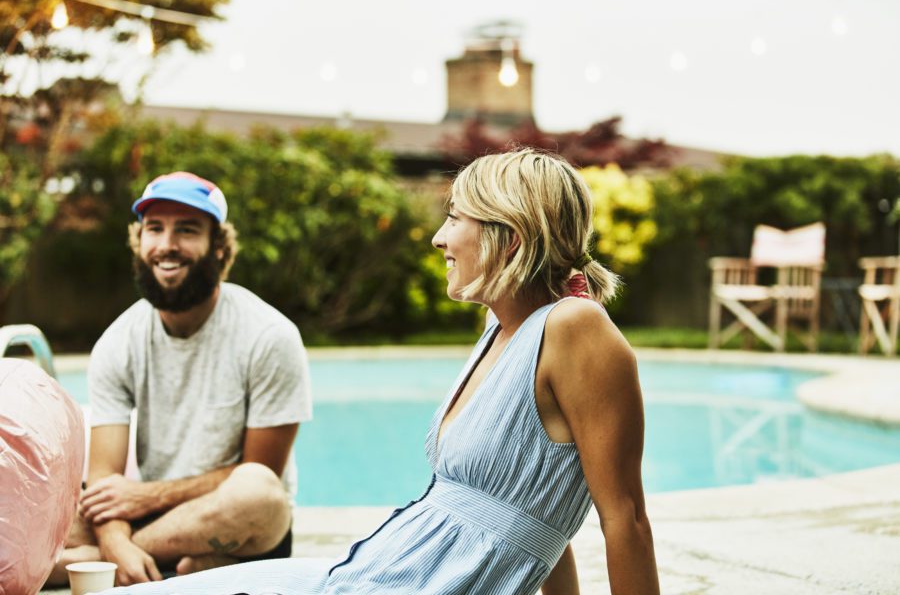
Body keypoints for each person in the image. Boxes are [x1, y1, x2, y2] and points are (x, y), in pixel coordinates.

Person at [97, 149, 658, 594]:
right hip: (375, 573)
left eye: (455, 218)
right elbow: (538, 516)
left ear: (507, 235)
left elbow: (624, 519)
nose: (439, 237)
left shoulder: (578, 328)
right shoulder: (502, 333)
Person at [47, 172, 312, 588]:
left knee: (258, 492)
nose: (167, 244)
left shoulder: (270, 336)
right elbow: (105, 479)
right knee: (42, 515)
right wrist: (117, 543)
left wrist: (146, 498)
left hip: (238, 518)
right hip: (149, 517)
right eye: (155, 228)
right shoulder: (119, 341)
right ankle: (157, 564)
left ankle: (92, 564)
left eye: (186, 230)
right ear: (140, 242)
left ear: (219, 247)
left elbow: (261, 470)